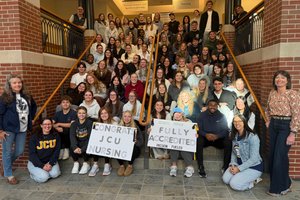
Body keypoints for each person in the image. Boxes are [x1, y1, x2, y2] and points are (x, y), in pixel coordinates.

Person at [265, 70, 300, 196]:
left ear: (287, 80)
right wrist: (268, 120)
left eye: (282, 78)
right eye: (277, 78)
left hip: (286, 126)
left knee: (280, 156)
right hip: (274, 125)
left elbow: (297, 114)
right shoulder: (272, 93)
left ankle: (278, 188)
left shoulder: (293, 94)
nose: (279, 80)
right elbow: (267, 109)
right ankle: (286, 183)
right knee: (274, 156)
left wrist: (293, 132)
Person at [0, 74, 37, 184]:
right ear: (10, 85)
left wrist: (32, 118)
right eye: (14, 83)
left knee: (19, 150)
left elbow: (34, 107)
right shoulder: (5, 97)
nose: (17, 84)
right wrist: (0, 130)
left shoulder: (27, 95)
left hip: (23, 128)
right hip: (8, 129)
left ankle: (5, 166)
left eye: (19, 82)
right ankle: (9, 175)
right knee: (7, 152)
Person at [222, 114, 263, 191]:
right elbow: (234, 152)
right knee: (225, 179)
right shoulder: (234, 135)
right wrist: (233, 164)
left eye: (239, 121)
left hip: (253, 167)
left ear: (244, 122)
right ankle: (240, 176)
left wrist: (239, 169)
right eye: (235, 121)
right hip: (239, 164)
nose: (237, 123)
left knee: (234, 184)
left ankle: (253, 181)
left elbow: (254, 159)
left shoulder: (253, 137)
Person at [196, 99, 231, 177]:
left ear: (217, 106)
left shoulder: (222, 116)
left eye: (214, 105)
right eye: (211, 105)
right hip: (206, 139)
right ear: (208, 106)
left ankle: (225, 167)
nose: (212, 107)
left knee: (228, 141)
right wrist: (206, 135)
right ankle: (200, 166)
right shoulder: (202, 115)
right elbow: (198, 129)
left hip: (217, 139)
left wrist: (217, 136)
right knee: (199, 140)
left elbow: (225, 130)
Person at [28, 118, 61, 183]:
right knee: (44, 178)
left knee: (55, 174)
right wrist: (42, 166)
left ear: (51, 125)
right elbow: (32, 154)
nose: (47, 126)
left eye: (49, 124)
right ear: (41, 125)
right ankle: (32, 174)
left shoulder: (56, 135)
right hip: (36, 162)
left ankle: (43, 172)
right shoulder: (35, 137)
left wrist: (51, 163)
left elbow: (57, 151)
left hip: (49, 161)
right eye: (45, 124)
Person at [89, 107, 118, 177]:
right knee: (95, 142)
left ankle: (107, 164)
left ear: (109, 114)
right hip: (100, 145)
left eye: (105, 113)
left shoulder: (114, 123)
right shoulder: (97, 124)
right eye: (102, 113)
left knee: (106, 144)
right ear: (99, 115)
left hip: (111, 144)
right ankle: (95, 165)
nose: (104, 115)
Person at [169, 107, 195, 178]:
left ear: (182, 114)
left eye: (179, 113)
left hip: (186, 146)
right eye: (175, 113)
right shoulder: (170, 123)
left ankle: (190, 167)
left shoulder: (189, 122)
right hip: (175, 146)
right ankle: (173, 166)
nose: (177, 115)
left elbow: (192, 133)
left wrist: (195, 134)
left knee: (184, 147)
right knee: (174, 145)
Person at [117, 111, 143, 176]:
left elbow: (141, 141)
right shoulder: (118, 127)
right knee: (116, 147)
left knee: (133, 149)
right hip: (122, 147)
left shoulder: (135, 127)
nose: (127, 118)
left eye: (129, 116)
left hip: (133, 149)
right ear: (122, 117)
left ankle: (130, 165)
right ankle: (121, 166)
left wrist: (136, 141)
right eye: (125, 116)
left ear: (131, 118)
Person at [52, 96, 77, 160]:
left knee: (64, 130)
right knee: (57, 131)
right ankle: (61, 149)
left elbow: (72, 125)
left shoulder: (73, 113)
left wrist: (59, 124)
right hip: (60, 132)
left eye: (67, 102)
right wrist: (56, 128)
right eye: (63, 102)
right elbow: (51, 123)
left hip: (70, 132)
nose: (65, 104)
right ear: (61, 104)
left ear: (70, 104)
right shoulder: (58, 114)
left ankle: (66, 149)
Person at [70, 106, 93, 175]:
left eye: (83, 113)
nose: (81, 115)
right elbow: (72, 136)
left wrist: (82, 149)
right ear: (77, 114)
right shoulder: (74, 124)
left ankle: (86, 163)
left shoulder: (89, 123)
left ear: (86, 114)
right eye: (79, 113)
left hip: (86, 142)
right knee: (71, 146)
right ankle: (76, 163)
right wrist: (75, 147)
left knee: (86, 146)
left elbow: (90, 138)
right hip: (78, 142)